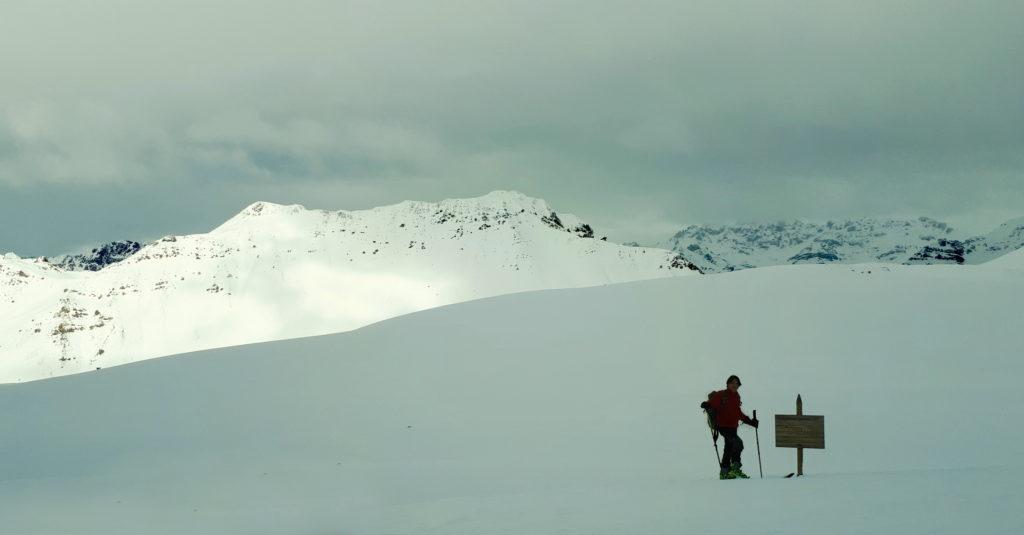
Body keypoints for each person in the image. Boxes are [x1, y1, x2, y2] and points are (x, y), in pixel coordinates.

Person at [700, 375, 758, 479]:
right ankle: (725, 472)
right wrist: (706, 404)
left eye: (737, 383)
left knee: (734, 446)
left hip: (733, 427)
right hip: (723, 426)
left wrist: (751, 422)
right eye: (732, 383)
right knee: (735, 443)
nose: (735, 385)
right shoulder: (721, 394)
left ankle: (733, 469)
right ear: (728, 384)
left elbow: (738, 413)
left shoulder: (736, 397)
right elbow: (711, 403)